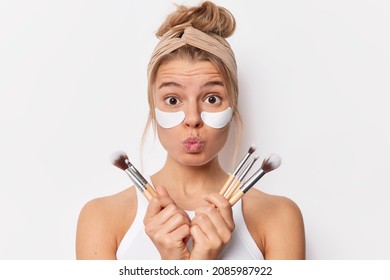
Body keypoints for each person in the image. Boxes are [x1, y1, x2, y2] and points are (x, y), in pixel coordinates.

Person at [76, 0, 305, 260]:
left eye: (212, 98)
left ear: (233, 106)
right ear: (153, 108)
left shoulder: (278, 217)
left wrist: (204, 263)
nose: (193, 118)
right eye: (173, 100)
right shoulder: (102, 218)